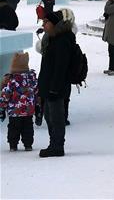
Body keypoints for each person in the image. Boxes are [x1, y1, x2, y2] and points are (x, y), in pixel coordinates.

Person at [36, 11, 75, 157]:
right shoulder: (52, 39)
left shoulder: (62, 41)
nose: (43, 25)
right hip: (49, 85)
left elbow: (60, 67)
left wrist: (54, 88)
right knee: (49, 115)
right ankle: (54, 144)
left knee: (56, 117)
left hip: (56, 87)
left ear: (53, 24)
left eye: (46, 22)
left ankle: (57, 146)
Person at [0, 52, 38, 151]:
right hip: (28, 111)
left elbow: (5, 94)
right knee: (28, 128)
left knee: (13, 128)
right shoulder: (32, 79)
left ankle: (13, 145)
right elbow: (37, 91)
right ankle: (28, 145)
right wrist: (37, 105)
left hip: (14, 112)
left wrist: (2, 106)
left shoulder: (11, 80)